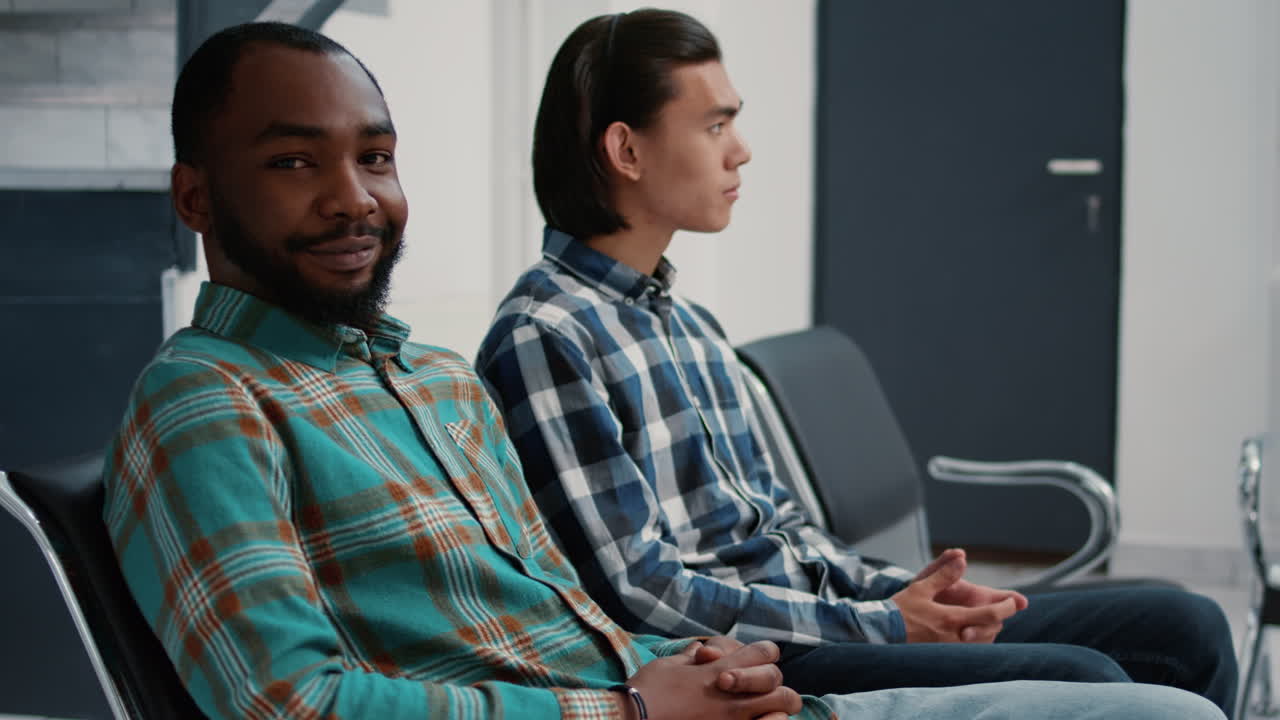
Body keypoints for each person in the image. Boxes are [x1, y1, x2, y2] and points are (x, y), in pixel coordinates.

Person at [99, 17, 1230, 720]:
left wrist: (769, 644)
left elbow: (580, 610)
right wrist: (647, 700)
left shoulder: (435, 378)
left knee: (1164, 649)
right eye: (295, 163)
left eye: (376, 159)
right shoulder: (208, 401)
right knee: (1116, 698)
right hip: (651, 697)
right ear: (196, 198)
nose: (352, 197)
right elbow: (291, 702)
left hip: (693, 680)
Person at [474, 8, 1239, 716]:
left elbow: (780, 526)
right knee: (1087, 683)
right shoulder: (548, 335)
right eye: (714, 125)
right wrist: (880, 624)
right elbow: (641, 592)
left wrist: (909, 595)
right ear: (627, 149)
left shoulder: (685, 321)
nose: (741, 150)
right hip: (762, 656)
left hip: (821, 615)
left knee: (1187, 623)